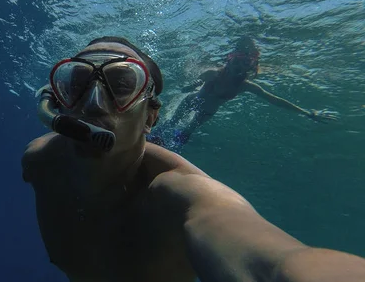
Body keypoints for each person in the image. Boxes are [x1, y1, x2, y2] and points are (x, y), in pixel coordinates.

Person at [22, 36, 365, 282]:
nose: (94, 104)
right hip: (187, 108)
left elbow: (272, 262)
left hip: (188, 121)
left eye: (122, 84)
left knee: (178, 138)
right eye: (77, 83)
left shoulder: (180, 196)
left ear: (148, 116)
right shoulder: (38, 163)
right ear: (56, 103)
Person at [163, 36, 338, 147]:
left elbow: (274, 100)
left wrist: (306, 112)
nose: (239, 67)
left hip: (207, 113)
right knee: (170, 124)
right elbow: (193, 84)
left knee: (186, 133)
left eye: (245, 63)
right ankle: (156, 139)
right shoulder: (213, 74)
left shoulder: (245, 86)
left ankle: (169, 150)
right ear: (229, 60)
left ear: (251, 67)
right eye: (237, 61)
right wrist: (189, 86)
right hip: (192, 101)